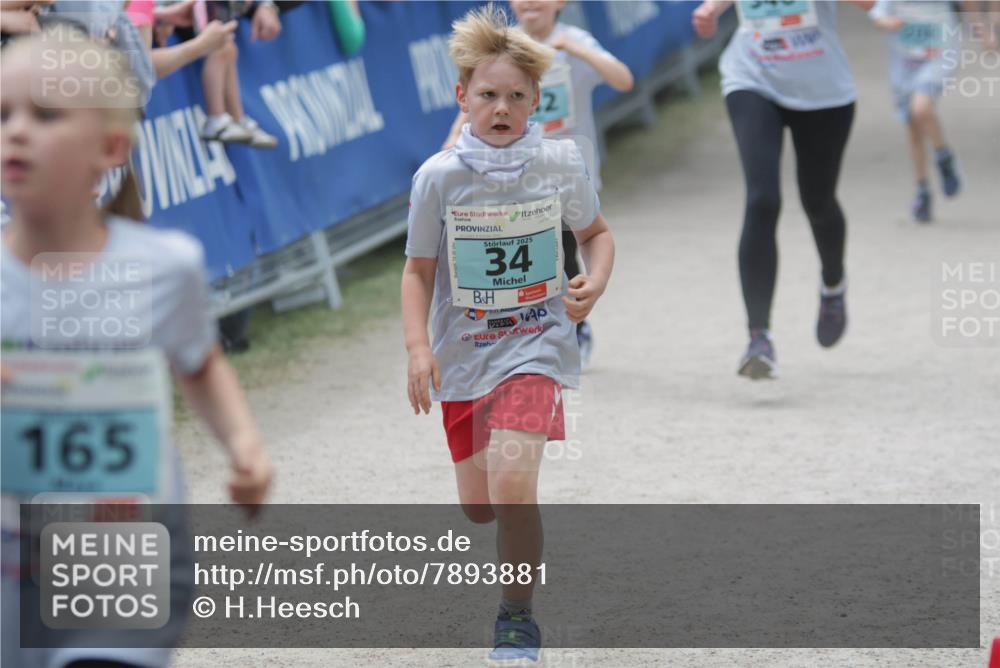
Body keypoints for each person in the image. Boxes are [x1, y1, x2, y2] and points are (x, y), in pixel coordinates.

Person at [0, 27, 272, 667]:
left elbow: (200, 363)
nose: (15, 131)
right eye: (2, 113)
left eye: (45, 115)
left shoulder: (163, 266)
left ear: (111, 147)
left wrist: (243, 445)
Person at [402, 4, 614, 660]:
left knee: (515, 484)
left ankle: (516, 616)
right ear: (461, 97)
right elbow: (416, 273)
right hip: (464, 356)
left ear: (537, 101)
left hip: (536, 344)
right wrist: (417, 348)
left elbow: (596, 236)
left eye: (517, 97)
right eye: (487, 95)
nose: (501, 108)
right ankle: (506, 544)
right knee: (481, 504)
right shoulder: (439, 178)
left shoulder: (558, 162)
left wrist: (595, 280)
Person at [443, 0, 633, 369]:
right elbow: (471, 101)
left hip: (563, 175)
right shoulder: (504, 48)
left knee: (565, 250)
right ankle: (518, 331)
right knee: (526, 250)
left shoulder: (574, 40)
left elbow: (623, 80)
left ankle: (574, 323)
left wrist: (575, 51)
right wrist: (449, 145)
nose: (530, 2)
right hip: (510, 176)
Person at [692, 0, 876, 380]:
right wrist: (711, 8)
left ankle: (833, 283)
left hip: (823, 90)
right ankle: (758, 337)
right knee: (762, 199)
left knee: (818, 201)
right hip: (752, 77)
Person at [870, 0, 962, 222]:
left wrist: (986, 29)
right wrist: (887, 23)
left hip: (939, 53)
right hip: (904, 60)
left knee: (921, 108)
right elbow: (878, 15)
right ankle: (923, 190)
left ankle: (943, 157)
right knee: (912, 127)